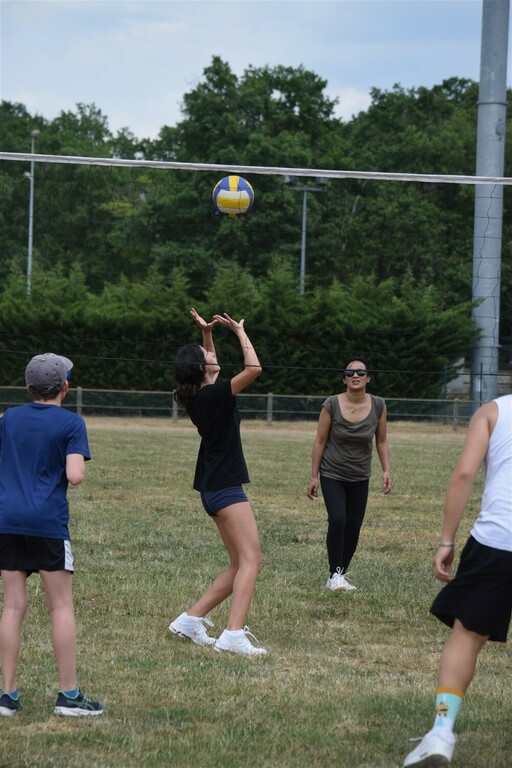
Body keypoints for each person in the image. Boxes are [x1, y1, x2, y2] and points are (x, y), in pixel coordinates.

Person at [403, 393, 512, 767]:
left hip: (497, 541)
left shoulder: (493, 411)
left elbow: (465, 473)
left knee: (467, 636)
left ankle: (441, 731)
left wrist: (446, 540)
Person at [0, 353, 102, 717]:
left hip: (7, 521)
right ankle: (68, 695)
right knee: (60, 606)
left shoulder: (9, 418)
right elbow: (75, 475)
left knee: (13, 606)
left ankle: (7, 695)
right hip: (47, 524)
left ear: (28, 388)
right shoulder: (71, 423)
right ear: (65, 387)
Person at [169, 308, 267, 657]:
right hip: (225, 488)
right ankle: (233, 634)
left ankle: (189, 620)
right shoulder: (214, 396)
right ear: (201, 368)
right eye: (206, 355)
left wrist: (207, 334)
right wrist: (240, 332)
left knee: (239, 564)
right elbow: (254, 369)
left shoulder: (202, 395)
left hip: (214, 488)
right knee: (252, 560)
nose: (212, 356)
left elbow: (212, 365)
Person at [306, 357, 391, 591]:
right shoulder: (331, 404)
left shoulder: (379, 405)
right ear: (344, 378)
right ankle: (335, 573)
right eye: (350, 373)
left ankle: (339, 574)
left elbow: (381, 440)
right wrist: (314, 476)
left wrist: (386, 470)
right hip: (332, 473)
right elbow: (320, 440)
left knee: (353, 527)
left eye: (361, 372)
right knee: (338, 520)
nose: (355, 376)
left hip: (360, 475)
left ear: (368, 378)